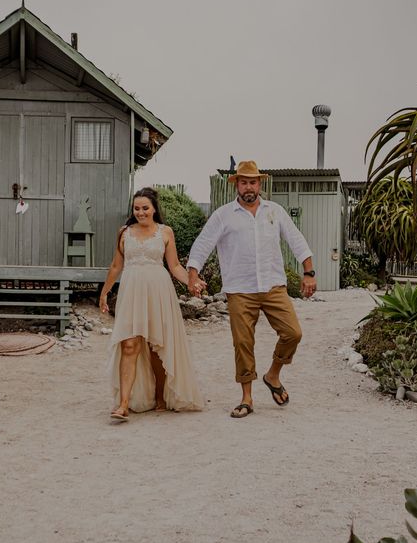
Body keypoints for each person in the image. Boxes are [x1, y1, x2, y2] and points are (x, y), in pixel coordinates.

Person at [186, 160, 316, 418]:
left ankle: (273, 375)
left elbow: (296, 239)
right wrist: (192, 274)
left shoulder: (274, 211)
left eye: (253, 182)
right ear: (237, 185)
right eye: (244, 182)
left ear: (260, 184)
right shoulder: (223, 215)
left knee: (293, 333)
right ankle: (247, 398)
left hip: (273, 285)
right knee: (243, 342)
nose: (248, 187)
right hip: (240, 289)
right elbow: (203, 245)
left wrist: (309, 272)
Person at [100, 188, 205, 421]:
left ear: (154, 208)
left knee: (157, 345)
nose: (140, 212)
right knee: (129, 343)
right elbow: (116, 266)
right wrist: (105, 293)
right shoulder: (124, 233)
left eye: (145, 208)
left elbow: (175, 265)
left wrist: (192, 280)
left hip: (158, 290)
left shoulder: (165, 232)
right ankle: (123, 404)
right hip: (131, 291)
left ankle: (160, 395)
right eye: (136, 208)